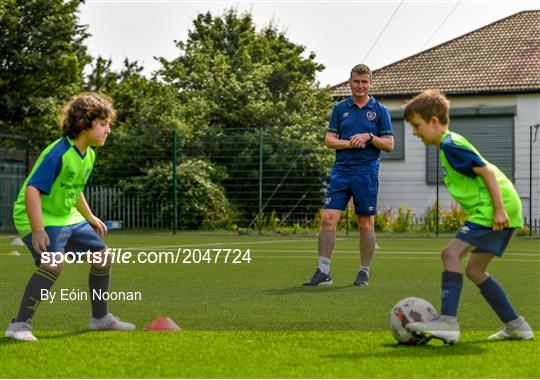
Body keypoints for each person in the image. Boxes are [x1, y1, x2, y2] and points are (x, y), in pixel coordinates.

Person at [402, 89, 534, 344]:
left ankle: (448, 322)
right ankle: (516, 325)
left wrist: (498, 210)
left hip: (495, 206)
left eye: (416, 126)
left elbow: (487, 173)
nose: (415, 132)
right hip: (499, 206)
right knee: (475, 270)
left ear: (433, 122)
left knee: (450, 254)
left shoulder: (452, 145)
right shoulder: (447, 146)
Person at [6, 92, 135, 341]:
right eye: (103, 124)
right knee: (53, 263)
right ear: (84, 123)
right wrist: (38, 229)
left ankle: (100, 319)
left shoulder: (89, 154)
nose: (108, 130)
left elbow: (74, 188)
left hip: (67, 216)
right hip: (38, 216)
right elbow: (33, 190)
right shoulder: (59, 152)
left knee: (103, 256)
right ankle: (19, 325)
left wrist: (89, 216)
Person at [303, 64, 394, 287]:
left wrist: (369, 137)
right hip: (341, 171)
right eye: (356, 81)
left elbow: (390, 145)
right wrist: (351, 142)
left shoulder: (380, 111)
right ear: (350, 82)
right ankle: (323, 273)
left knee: (365, 223)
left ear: (370, 83)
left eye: (364, 82)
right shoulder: (339, 108)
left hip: (366, 172)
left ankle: (364, 272)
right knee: (328, 218)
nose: (360, 86)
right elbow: (329, 140)